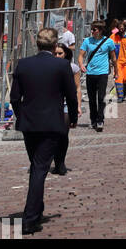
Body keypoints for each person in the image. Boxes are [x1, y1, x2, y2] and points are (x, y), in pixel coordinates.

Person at [10, 28, 78, 234]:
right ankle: (30, 219)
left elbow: (14, 98)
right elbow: (71, 96)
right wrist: (73, 118)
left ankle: (36, 211)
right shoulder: (62, 65)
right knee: (39, 168)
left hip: (29, 124)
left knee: (37, 166)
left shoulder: (24, 64)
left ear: (37, 43)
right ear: (54, 44)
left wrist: (21, 116)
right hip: (51, 124)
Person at [79, 21, 116, 131]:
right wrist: (81, 65)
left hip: (102, 73)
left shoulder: (109, 42)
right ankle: (93, 120)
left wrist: (116, 71)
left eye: (94, 29)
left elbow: (113, 58)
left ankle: (100, 120)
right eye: (92, 29)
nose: (92, 31)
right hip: (90, 73)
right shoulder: (87, 41)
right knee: (91, 99)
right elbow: (81, 55)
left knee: (101, 97)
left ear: (100, 30)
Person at [52, 42, 82, 173]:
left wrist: (78, 106)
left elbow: (77, 88)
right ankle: (54, 159)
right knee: (53, 135)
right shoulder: (49, 67)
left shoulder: (73, 68)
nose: (57, 56)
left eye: (60, 53)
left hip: (66, 105)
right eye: (55, 53)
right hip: (52, 104)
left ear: (66, 54)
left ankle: (60, 162)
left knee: (63, 134)